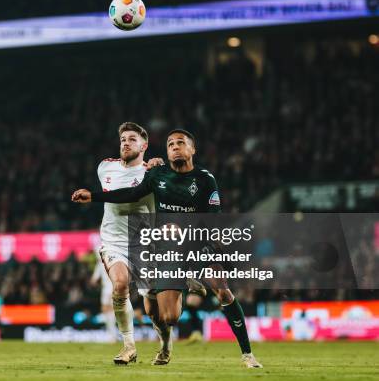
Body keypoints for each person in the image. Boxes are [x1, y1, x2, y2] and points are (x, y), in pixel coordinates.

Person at [72, 129, 263, 368]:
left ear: (192, 150)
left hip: (197, 245)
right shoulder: (157, 175)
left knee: (222, 290)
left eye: (180, 142)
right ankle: (184, 283)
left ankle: (247, 355)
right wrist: (94, 196)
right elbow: (131, 194)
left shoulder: (205, 179)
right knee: (168, 317)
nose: (174, 146)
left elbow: (213, 219)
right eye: (170, 143)